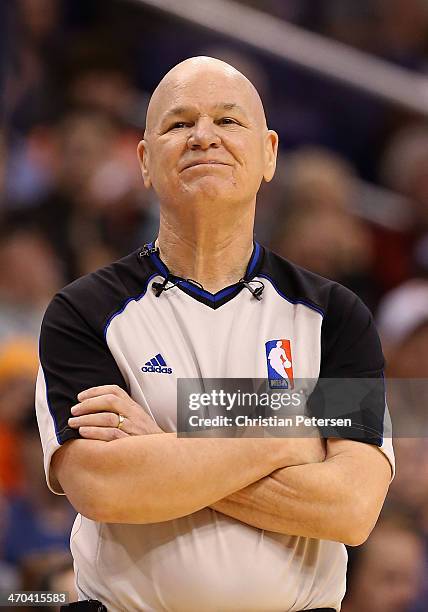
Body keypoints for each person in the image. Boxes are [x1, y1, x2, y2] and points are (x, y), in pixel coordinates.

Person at [36, 56, 394, 612]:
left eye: (228, 122)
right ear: (144, 160)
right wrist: (287, 435)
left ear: (269, 154)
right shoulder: (82, 311)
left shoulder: (336, 316)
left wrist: (158, 451)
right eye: (179, 124)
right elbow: (104, 488)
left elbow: (351, 508)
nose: (204, 137)